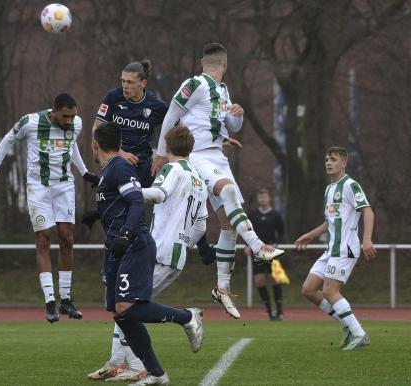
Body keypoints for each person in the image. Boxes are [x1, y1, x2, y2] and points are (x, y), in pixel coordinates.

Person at [152, 42, 284, 319]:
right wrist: (161, 154)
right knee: (228, 191)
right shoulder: (195, 83)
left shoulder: (223, 90)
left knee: (228, 223)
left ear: (205, 61)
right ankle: (258, 246)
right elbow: (172, 115)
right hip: (198, 155)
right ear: (224, 64)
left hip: (217, 156)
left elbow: (227, 124)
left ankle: (222, 288)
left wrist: (237, 118)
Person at [88, 125, 208, 382]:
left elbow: (158, 194)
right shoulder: (198, 179)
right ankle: (133, 365)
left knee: (128, 308)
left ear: (166, 147)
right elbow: (201, 225)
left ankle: (185, 319)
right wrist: (185, 242)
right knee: (122, 309)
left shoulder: (171, 169)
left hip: (155, 246)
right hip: (174, 250)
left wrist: (128, 191)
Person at [0, 93, 99, 323]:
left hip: (64, 186)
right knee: (43, 238)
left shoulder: (77, 123)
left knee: (67, 238)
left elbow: (72, 145)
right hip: (38, 187)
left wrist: (84, 172)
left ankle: (66, 300)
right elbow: (7, 140)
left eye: (72, 115)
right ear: (53, 111)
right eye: (65, 116)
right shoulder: (30, 122)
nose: (69, 120)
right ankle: (50, 301)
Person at [295, 146, 376, 350]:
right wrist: (311, 234)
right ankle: (347, 325)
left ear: (344, 163)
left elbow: (367, 211)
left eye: (333, 159)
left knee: (330, 291)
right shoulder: (329, 189)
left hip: (345, 247)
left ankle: (360, 334)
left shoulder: (350, 185)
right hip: (331, 248)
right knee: (309, 290)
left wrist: (367, 239)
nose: (328, 163)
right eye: (326, 159)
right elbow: (329, 221)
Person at [81, 59, 170, 230]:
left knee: (134, 207)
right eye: (123, 81)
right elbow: (96, 129)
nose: (125, 86)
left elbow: (175, 130)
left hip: (142, 164)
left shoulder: (156, 106)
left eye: (130, 82)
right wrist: (120, 153)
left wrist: (162, 156)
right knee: (120, 206)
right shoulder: (113, 98)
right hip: (116, 160)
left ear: (143, 83)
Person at [244, 188, 285, 320]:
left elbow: (282, 233)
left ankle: (279, 311)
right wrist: (247, 246)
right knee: (259, 281)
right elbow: (246, 231)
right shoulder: (252, 214)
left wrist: (276, 245)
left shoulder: (276, 215)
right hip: (257, 251)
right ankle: (269, 312)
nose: (262, 199)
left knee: (276, 279)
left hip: (272, 252)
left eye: (265, 197)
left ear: (269, 198)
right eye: (260, 197)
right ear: (258, 199)